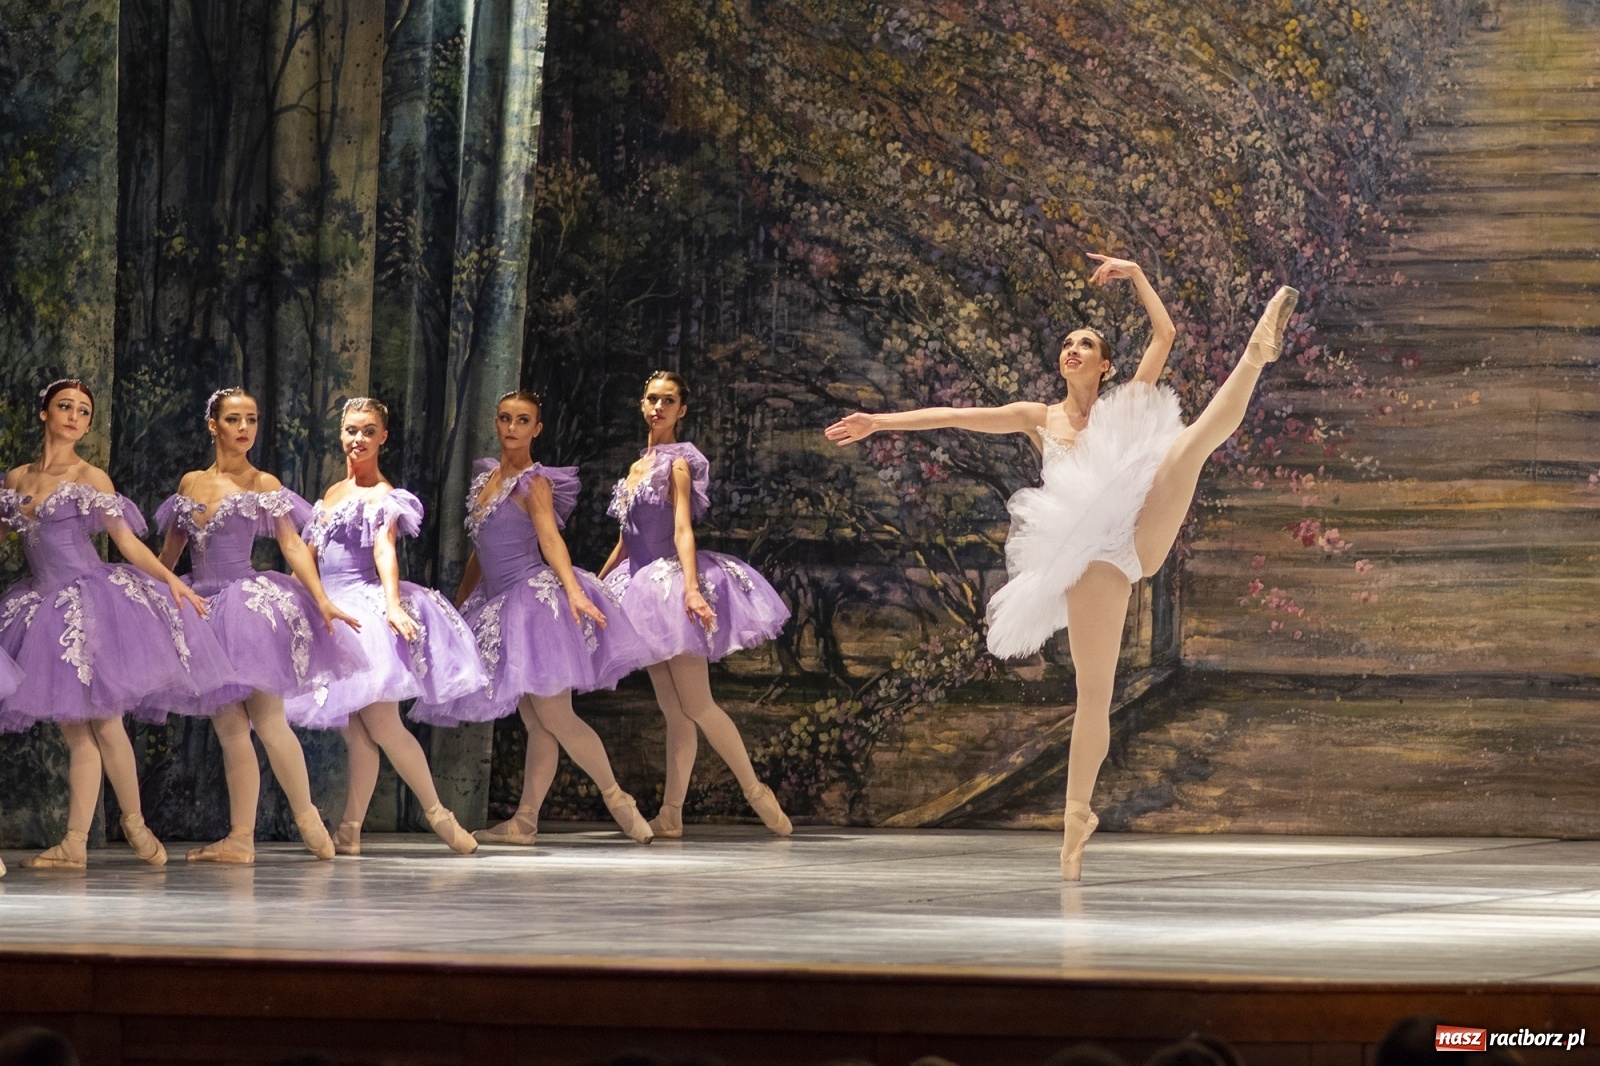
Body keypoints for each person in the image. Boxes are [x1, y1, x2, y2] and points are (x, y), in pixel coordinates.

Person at [826, 256, 1297, 879]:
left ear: (1105, 366)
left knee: (1190, 445)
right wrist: (878, 421)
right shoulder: (1038, 417)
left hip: (1138, 528)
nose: (1073, 349)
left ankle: (1255, 354)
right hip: (1087, 553)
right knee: (1094, 694)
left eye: (1087, 344)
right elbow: (956, 415)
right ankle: (1077, 820)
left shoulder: (1126, 401)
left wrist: (1136, 274)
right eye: (1068, 344)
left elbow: (1165, 335)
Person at [0, 378, 234, 869]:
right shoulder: (17, 478)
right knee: (76, 732)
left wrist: (171, 581)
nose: (74, 416)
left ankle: (133, 821)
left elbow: (126, 542)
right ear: (45, 413)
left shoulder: (90, 477)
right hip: (42, 605)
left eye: (83, 411)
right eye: (65, 406)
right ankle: (74, 843)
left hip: (89, 602)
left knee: (105, 723)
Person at [415, 390, 654, 844]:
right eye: (505, 418)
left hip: (533, 604)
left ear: (536, 429)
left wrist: (574, 593)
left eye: (522, 420)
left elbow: (550, 540)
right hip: (499, 602)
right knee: (537, 721)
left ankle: (620, 801)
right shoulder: (487, 479)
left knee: (556, 716)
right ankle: (525, 821)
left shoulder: (533, 482)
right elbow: (481, 552)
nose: (511, 427)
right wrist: (461, 606)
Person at [155, 387, 366, 863]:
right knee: (231, 730)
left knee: (269, 721)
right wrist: (151, 594)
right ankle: (240, 838)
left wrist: (322, 600)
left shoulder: (261, 482)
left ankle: (309, 819)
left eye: (251, 419)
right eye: (234, 419)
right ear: (213, 425)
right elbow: (170, 554)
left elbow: (291, 545)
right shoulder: (191, 483)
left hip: (246, 608)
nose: (245, 428)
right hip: (203, 609)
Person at [283, 397, 486, 855]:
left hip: (363, 612)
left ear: (383, 438)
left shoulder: (382, 495)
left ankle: (439, 815)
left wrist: (393, 605)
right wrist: (287, 599)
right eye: (352, 430)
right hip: (330, 610)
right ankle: (351, 830)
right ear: (341, 433)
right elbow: (306, 558)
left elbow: (384, 550)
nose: (359, 439)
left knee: (382, 724)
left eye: (369, 431)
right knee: (357, 731)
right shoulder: (332, 493)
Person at [598, 372, 793, 838]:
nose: (658, 407)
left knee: (697, 703)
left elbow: (683, 529)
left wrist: (690, 589)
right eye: (652, 399)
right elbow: (626, 542)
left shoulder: (678, 464)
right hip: (638, 589)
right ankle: (671, 813)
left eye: (668, 401)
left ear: (681, 410)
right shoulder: (636, 467)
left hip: (668, 587)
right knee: (674, 710)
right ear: (641, 404)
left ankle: (755, 791)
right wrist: (597, 586)